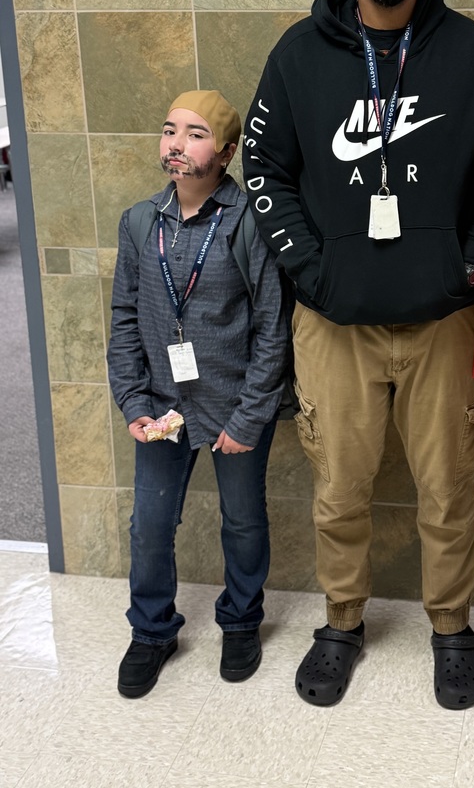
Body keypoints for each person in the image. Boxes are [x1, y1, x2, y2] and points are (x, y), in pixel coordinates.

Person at [242, 0, 474, 709]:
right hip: (334, 323)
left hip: (445, 319)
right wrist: (309, 264)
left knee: (449, 491)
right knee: (339, 490)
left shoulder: (473, 53)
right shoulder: (300, 55)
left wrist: (467, 262)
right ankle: (341, 622)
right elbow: (265, 165)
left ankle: (450, 627)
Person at [108, 90, 290, 698]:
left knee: (241, 521)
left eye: (194, 133)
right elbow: (125, 318)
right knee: (150, 525)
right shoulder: (140, 222)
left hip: (234, 406)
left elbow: (272, 327)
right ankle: (152, 631)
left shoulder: (247, 223)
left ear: (227, 151)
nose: (176, 144)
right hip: (162, 406)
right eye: (169, 131)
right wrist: (134, 403)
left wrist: (250, 416)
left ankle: (241, 620)